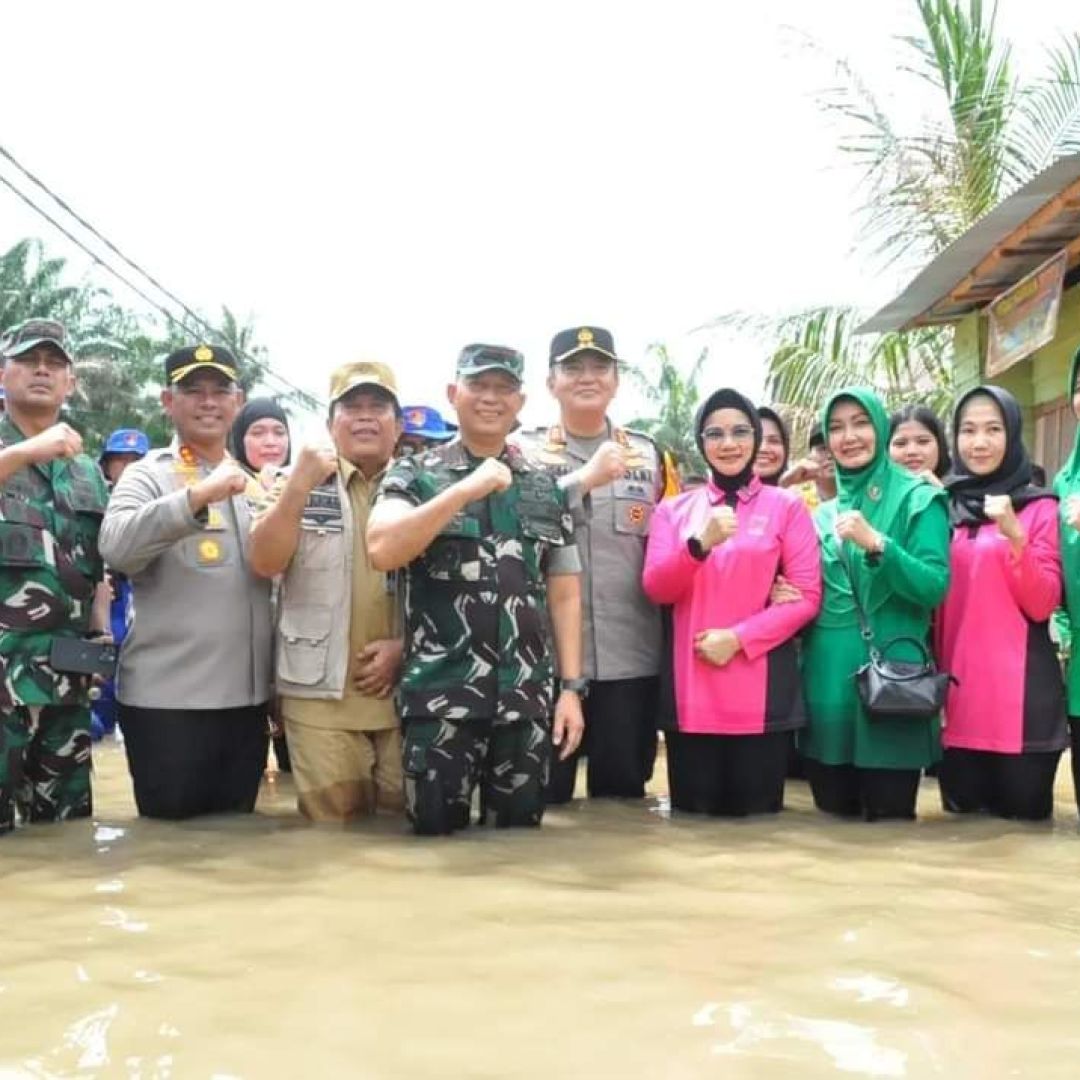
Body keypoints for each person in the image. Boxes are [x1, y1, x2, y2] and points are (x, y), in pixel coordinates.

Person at [367, 343, 586, 835]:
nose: (491, 398)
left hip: (526, 701)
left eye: (503, 388)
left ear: (521, 402)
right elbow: (382, 548)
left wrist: (570, 691)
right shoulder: (414, 474)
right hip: (441, 700)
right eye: (478, 386)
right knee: (434, 843)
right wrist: (463, 491)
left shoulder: (544, 484)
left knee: (519, 846)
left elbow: (565, 592)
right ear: (453, 393)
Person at [99, 345, 273, 820]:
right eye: (193, 391)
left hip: (248, 703)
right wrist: (195, 497)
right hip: (169, 706)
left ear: (238, 401)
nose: (208, 402)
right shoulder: (147, 476)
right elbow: (115, 547)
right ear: (167, 401)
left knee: (236, 845)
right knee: (169, 850)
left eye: (220, 391)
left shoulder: (261, 484)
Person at [643, 389, 821, 815]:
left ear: (756, 439)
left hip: (760, 695)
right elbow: (656, 588)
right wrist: (697, 546)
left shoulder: (787, 507)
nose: (728, 443)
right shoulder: (674, 511)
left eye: (741, 432)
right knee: (691, 829)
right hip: (692, 696)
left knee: (758, 839)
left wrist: (738, 638)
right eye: (715, 433)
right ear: (701, 442)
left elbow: (807, 597)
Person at [516, 325, 669, 802]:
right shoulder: (522, 451)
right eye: (573, 368)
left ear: (616, 379)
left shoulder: (649, 453)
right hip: (545, 658)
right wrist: (582, 480)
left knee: (622, 805)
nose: (587, 377)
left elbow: (675, 546)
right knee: (542, 801)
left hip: (631, 657)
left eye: (600, 367)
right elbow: (515, 526)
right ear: (550, 383)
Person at [249, 362, 405, 823]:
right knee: (331, 840)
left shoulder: (423, 484)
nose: (364, 417)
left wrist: (406, 647)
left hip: (408, 694)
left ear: (397, 424)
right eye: (351, 407)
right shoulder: (288, 482)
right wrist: (297, 486)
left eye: (378, 407)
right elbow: (264, 562)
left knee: (407, 831)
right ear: (329, 423)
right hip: (320, 699)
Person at [798, 388, 950, 821]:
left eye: (860, 423)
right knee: (831, 829)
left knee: (892, 832)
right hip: (826, 688)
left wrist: (878, 544)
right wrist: (783, 592)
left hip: (895, 689)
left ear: (881, 428)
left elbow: (934, 586)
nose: (849, 436)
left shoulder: (919, 498)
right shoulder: (820, 515)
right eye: (837, 427)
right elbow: (808, 593)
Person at [0, 318, 110, 834]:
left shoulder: (87, 471)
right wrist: (25, 453)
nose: (42, 370)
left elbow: (98, 567)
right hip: (2, 683)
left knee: (67, 836)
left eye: (55, 364)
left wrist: (100, 629)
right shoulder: (16, 451)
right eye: (28, 361)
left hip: (65, 681)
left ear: (70, 383)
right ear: (4, 373)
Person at [937, 386, 1065, 821]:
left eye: (993, 429)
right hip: (955, 703)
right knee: (959, 847)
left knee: (1024, 841)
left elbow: (1043, 603)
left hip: (1021, 708)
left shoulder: (1039, 507)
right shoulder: (941, 507)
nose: (979, 442)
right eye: (968, 430)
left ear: (1012, 434)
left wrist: (1015, 535)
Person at [230, 397, 293, 773]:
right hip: (246, 636)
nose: (271, 441)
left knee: (294, 759)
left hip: (293, 634)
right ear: (239, 439)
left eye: (279, 432)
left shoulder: (308, 482)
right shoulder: (227, 483)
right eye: (258, 432)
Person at [91, 428, 150, 741]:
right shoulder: (90, 502)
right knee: (97, 721)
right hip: (105, 614)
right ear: (107, 466)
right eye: (120, 460)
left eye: (135, 460)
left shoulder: (164, 506)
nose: (128, 467)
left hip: (144, 611)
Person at [888, 404, 951, 484]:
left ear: (940, 444)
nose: (912, 451)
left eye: (923, 442)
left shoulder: (964, 488)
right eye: (900, 443)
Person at [780, 423, 837, 508]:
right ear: (809, 456)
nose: (829, 455)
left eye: (835, 448)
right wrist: (784, 482)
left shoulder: (861, 493)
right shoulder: (796, 498)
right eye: (823, 449)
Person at [754, 406, 790, 485]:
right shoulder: (722, 496)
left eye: (774, 441)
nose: (763, 448)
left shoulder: (797, 496)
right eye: (756, 440)